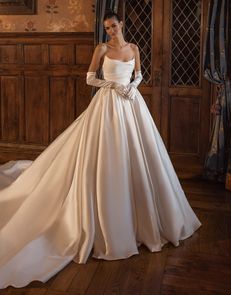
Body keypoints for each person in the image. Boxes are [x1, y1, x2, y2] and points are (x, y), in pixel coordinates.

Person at [0, 10, 201, 289]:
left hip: (131, 104)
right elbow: (89, 78)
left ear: (122, 25)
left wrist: (133, 86)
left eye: (114, 26)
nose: (110, 31)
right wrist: (113, 85)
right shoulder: (101, 48)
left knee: (141, 157)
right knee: (105, 155)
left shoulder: (134, 48)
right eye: (107, 28)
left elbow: (140, 74)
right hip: (107, 103)